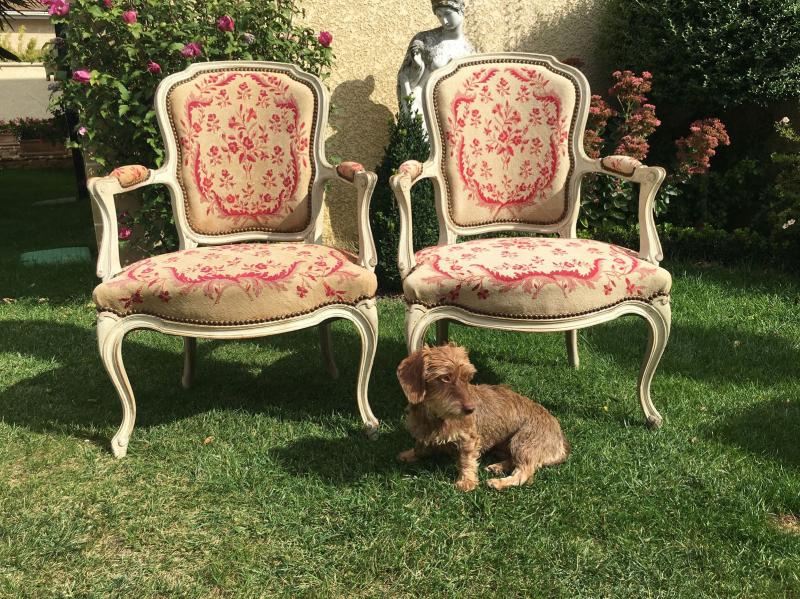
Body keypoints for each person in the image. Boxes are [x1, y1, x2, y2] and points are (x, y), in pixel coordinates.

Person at [396, 0, 475, 134]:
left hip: (451, 111)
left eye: (447, 14)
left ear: (460, 10)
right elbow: (404, 76)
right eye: (439, 15)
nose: (444, 20)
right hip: (422, 103)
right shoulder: (424, 39)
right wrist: (417, 66)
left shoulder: (469, 51)